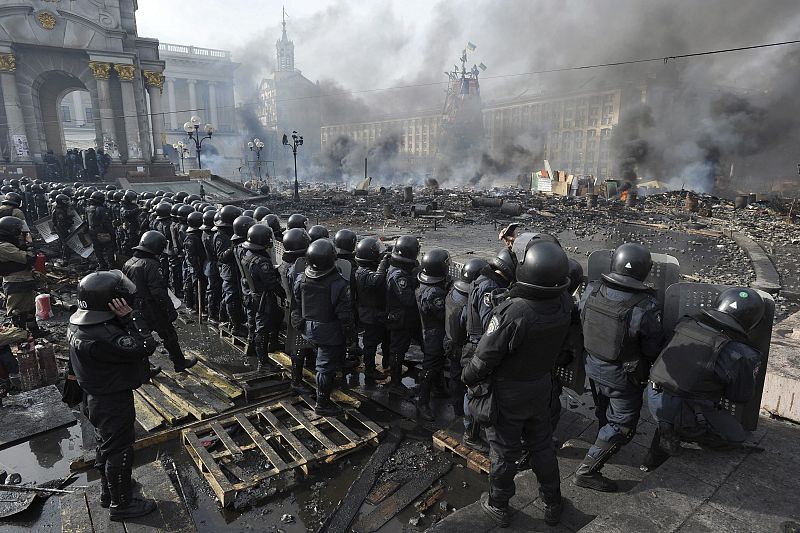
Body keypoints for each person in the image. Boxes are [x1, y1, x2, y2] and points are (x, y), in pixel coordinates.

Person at [462, 241, 573, 527]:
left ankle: (498, 504)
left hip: (508, 393)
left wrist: (467, 377)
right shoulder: (564, 304)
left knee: (503, 451)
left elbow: (485, 357)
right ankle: (553, 502)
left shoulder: (514, 312)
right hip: (540, 386)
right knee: (542, 446)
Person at [68, 270, 157, 520]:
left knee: (105, 445)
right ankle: (122, 505)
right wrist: (130, 318)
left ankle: (110, 491)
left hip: (94, 395)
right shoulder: (106, 336)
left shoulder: (79, 324)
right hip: (111, 399)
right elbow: (145, 345)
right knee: (120, 449)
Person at [575, 243, 665, 492]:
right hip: (623, 378)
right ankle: (588, 471)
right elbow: (652, 349)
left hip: (592, 367)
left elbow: (582, 321)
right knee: (622, 425)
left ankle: (601, 441)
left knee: (604, 412)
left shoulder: (591, 291)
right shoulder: (645, 307)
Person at [645, 288, 764, 468]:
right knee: (736, 437)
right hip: (687, 409)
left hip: (654, 396)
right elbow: (740, 396)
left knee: (673, 413)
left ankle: (654, 455)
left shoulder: (686, 322)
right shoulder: (740, 352)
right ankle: (685, 433)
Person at [291, 238, 355, 415]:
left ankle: (299, 381)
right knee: (324, 368)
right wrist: (350, 337)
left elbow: (296, 302)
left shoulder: (301, 278)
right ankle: (322, 403)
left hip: (307, 328)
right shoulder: (339, 284)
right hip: (329, 331)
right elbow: (345, 315)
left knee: (309, 355)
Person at [461, 248, 516, 453]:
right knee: (477, 393)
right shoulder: (490, 288)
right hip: (478, 347)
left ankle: (473, 431)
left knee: (475, 392)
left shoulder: (481, 280)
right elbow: (490, 324)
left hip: (472, 344)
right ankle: (470, 435)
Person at [123, 231, 197, 372]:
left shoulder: (129, 262)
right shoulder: (151, 264)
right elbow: (159, 292)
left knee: (141, 339)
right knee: (169, 335)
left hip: (136, 308)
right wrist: (169, 311)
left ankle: (143, 371)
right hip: (152, 308)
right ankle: (179, 363)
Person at [445, 258, 487, 417]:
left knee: (455, 377)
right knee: (465, 382)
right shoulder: (468, 301)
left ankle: (457, 408)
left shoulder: (454, 292)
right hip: (462, 346)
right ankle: (462, 414)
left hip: (450, 340)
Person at [415, 248, 452, 421]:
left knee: (437, 363)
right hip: (434, 334)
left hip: (429, 331)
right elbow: (443, 314)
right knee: (429, 368)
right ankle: (422, 402)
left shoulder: (426, 284)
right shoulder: (434, 294)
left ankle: (440, 389)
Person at [241, 224, 285, 372]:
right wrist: (283, 295)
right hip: (263, 299)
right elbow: (271, 284)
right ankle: (263, 362)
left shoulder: (246, 255)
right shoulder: (262, 262)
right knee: (262, 329)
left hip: (253, 295)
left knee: (274, 318)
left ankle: (271, 344)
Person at [279, 228, 314, 394]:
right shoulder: (296, 268)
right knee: (299, 347)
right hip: (299, 310)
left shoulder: (286, 263)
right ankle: (296, 381)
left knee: (302, 345)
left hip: (291, 307)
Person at [384, 235, 420, 395]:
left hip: (407, 318)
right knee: (398, 351)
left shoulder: (400, 270)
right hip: (401, 319)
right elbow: (408, 299)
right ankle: (396, 383)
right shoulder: (398, 275)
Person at [354, 237, 391, 381]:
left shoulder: (365, 270)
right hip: (370, 315)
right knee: (370, 344)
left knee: (386, 339)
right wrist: (383, 264)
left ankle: (386, 363)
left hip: (378, 313)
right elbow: (376, 281)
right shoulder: (363, 273)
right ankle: (369, 370)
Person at [214, 205, 247, 336]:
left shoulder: (229, 234)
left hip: (234, 270)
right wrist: (233, 248)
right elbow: (221, 257)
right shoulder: (220, 236)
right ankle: (236, 326)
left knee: (232, 297)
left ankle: (225, 319)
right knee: (231, 298)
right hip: (228, 272)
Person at [0, 217, 37, 330]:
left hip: (24, 280)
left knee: (30, 309)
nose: (20, 233)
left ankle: (33, 332)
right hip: (16, 282)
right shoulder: (4, 246)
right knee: (18, 312)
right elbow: (28, 258)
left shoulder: (9, 243)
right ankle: (20, 337)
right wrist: (30, 244)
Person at [201, 209, 225, 326]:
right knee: (213, 291)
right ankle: (212, 315)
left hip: (209, 265)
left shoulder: (206, 233)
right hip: (212, 266)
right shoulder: (210, 236)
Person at [183, 211, 206, 313]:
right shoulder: (191, 237)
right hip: (194, 264)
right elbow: (191, 256)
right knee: (194, 285)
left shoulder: (198, 234)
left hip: (198, 263)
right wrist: (197, 269)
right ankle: (194, 306)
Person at [86, 191, 115, 271]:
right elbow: (106, 222)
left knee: (97, 249)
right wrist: (112, 232)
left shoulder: (89, 208)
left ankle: (102, 264)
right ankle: (111, 265)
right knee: (109, 248)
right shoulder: (101, 209)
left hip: (92, 231)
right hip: (102, 232)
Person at [52, 194, 73, 264]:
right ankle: (65, 258)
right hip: (62, 227)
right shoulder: (59, 211)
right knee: (65, 242)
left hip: (60, 227)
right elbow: (62, 221)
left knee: (62, 242)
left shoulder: (57, 208)